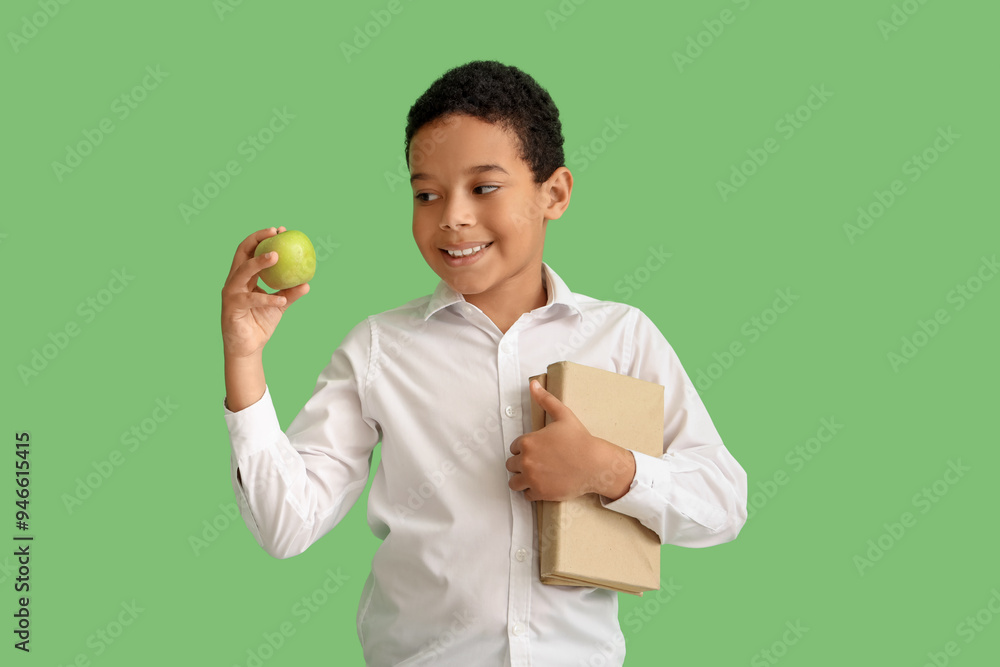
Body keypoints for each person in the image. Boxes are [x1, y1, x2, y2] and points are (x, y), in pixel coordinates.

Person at [221, 60, 747, 666]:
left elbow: (723, 504)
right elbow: (286, 526)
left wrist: (608, 470)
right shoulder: (377, 349)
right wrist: (244, 357)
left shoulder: (622, 337)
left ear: (554, 193)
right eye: (426, 193)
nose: (452, 216)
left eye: (484, 187)